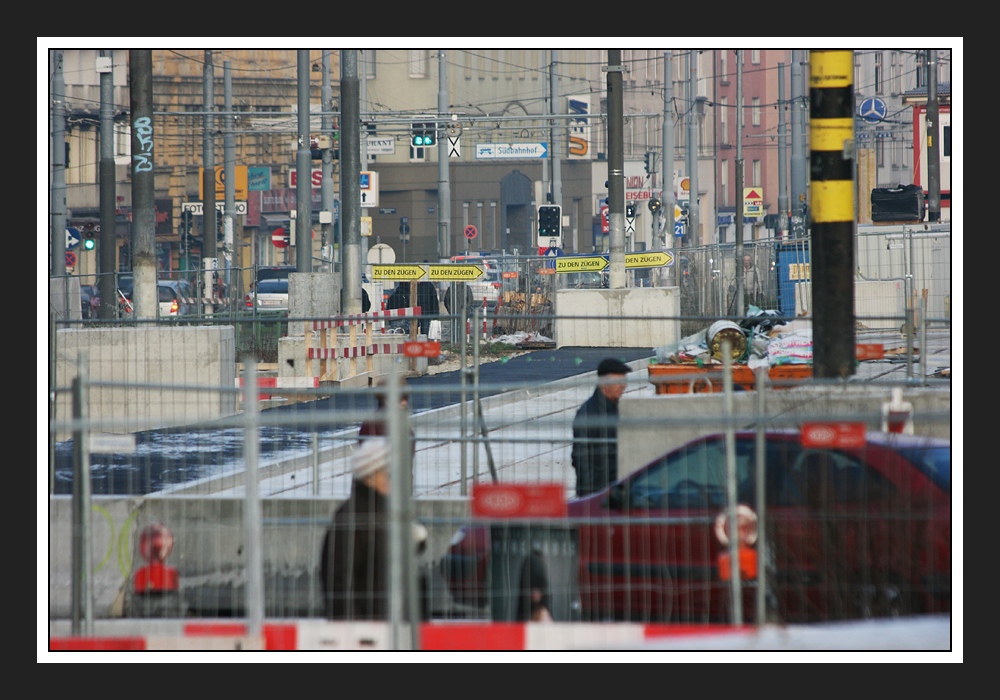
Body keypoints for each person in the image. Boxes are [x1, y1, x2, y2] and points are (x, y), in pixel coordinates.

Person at [319, 438, 429, 620]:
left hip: (398, 624)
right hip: (371, 628)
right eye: (389, 474)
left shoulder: (390, 510)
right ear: (369, 477)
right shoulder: (353, 518)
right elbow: (338, 583)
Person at [571, 358, 633, 498]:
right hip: (599, 493)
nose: (624, 386)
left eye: (625, 381)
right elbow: (581, 459)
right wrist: (589, 498)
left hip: (615, 489)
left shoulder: (615, 408)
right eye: (619, 382)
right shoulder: (589, 413)